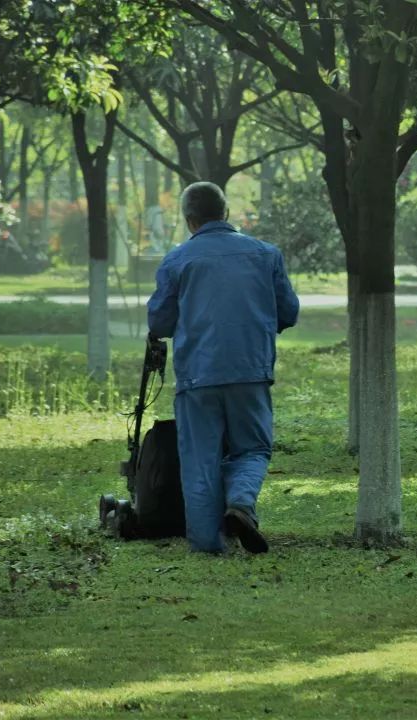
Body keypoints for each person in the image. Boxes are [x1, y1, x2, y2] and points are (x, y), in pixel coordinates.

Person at [147, 182, 300, 554]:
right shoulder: (266, 254)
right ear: (227, 213)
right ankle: (241, 504)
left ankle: (206, 545)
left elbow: (160, 323)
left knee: (200, 458)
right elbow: (289, 312)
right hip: (250, 371)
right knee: (252, 449)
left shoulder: (178, 260)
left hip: (198, 376)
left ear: (189, 220)